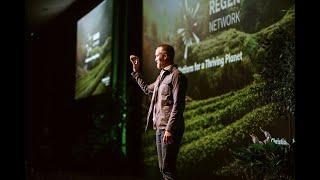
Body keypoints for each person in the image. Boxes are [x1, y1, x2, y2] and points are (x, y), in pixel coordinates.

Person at [130, 44, 187, 180]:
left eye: (157, 55)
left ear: (165, 56)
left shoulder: (176, 76)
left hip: (169, 128)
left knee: (168, 169)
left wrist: (169, 129)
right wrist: (136, 72)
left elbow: (178, 106)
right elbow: (147, 89)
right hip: (160, 128)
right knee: (164, 169)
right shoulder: (161, 76)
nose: (155, 59)